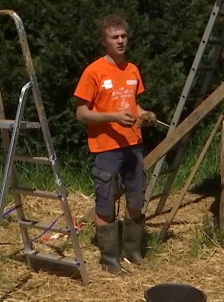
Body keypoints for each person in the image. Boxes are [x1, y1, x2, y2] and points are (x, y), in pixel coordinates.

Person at [74, 14, 157, 273]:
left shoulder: (132, 70)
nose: (120, 41)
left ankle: (132, 252)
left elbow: (133, 104)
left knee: (136, 199)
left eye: (123, 36)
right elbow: (81, 113)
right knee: (106, 202)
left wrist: (143, 114)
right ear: (104, 41)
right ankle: (110, 260)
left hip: (133, 146)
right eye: (114, 37)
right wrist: (112, 117)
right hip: (106, 148)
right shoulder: (94, 71)